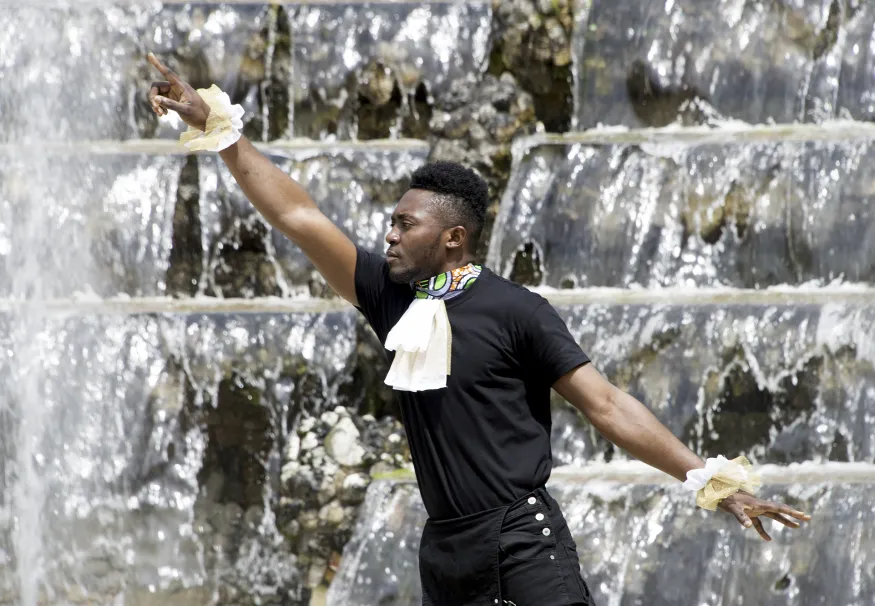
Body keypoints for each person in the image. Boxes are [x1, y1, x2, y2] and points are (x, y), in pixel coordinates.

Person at [147, 54, 811, 606]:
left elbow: (606, 405)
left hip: (522, 540)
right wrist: (222, 131)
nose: (390, 232)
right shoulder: (390, 297)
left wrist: (709, 482)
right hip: (446, 553)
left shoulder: (516, 310)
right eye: (392, 221)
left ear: (454, 238)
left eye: (407, 224)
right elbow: (298, 215)